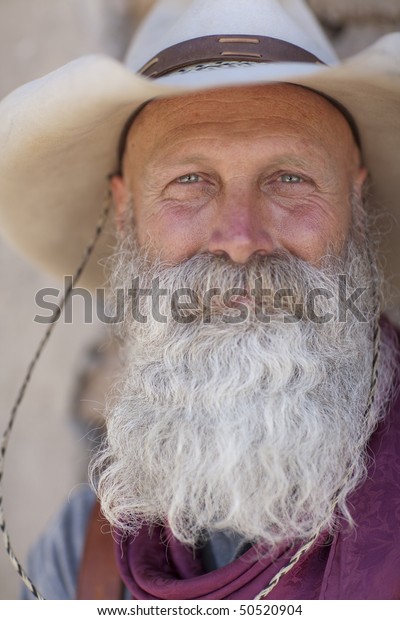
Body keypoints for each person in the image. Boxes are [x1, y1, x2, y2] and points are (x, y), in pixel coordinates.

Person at [0, 0, 399, 601]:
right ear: (127, 211)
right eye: (190, 181)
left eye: (289, 178)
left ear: (355, 201)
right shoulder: (77, 561)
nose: (240, 240)